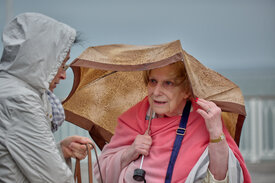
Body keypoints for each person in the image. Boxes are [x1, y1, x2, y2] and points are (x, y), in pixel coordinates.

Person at [94, 61, 251, 182]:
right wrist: (130, 152)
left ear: (186, 91)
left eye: (168, 83)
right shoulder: (135, 117)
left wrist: (216, 133)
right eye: (153, 81)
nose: (156, 92)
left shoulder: (205, 119)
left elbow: (222, 178)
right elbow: (100, 174)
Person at [0, 12, 92, 182]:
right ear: (41, 60)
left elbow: (15, 162)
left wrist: (60, 150)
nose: (64, 75)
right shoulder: (19, 100)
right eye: (61, 64)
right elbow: (53, 178)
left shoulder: (14, 91)